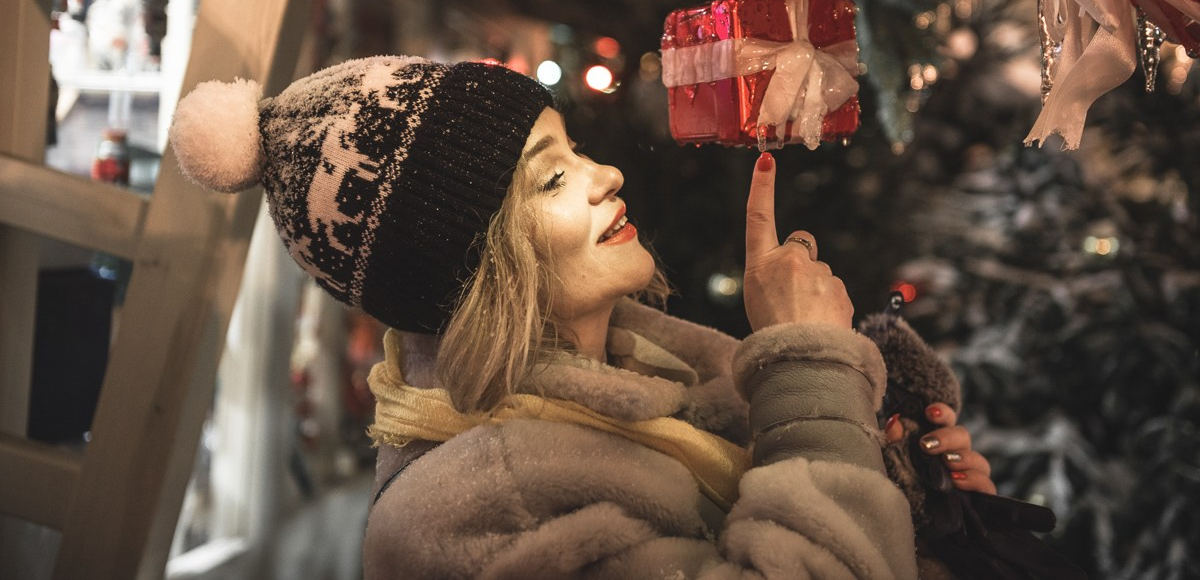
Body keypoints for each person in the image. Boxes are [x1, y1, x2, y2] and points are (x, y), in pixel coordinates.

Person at [170, 55, 993, 579]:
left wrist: (925, 511)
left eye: (575, 150)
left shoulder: (660, 377)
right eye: (552, 179)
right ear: (477, 265)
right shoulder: (464, 514)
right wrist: (810, 373)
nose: (606, 174)